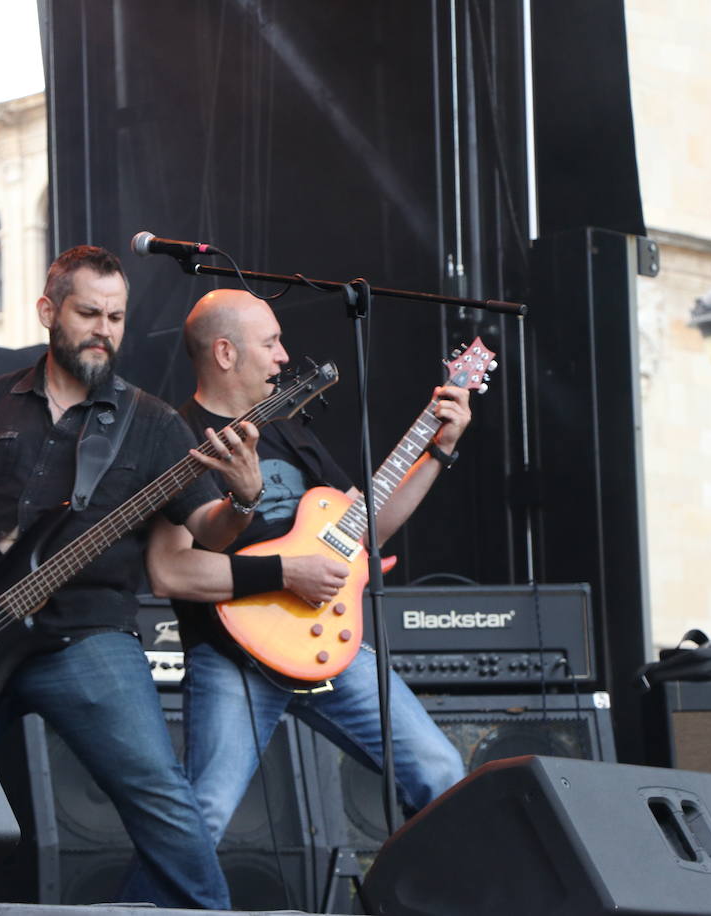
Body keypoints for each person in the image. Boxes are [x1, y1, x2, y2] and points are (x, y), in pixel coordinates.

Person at [0, 246, 265, 909]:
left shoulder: (152, 423)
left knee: (163, 799)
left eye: (117, 317)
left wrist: (240, 499)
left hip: (88, 636)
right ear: (48, 311)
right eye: (89, 312)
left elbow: (208, 529)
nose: (105, 330)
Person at [145, 287, 469, 852]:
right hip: (232, 658)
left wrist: (438, 448)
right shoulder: (179, 438)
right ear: (225, 353)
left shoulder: (290, 431)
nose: (283, 356)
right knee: (203, 818)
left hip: (327, 645)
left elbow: (363, 528)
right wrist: (285, 572)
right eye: (270, 342)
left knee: (442, 772)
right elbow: (171, 573)